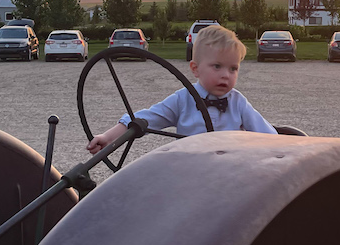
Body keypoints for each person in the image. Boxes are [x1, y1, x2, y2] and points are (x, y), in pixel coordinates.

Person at [86, 24, 277, 153]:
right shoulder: (182, 100)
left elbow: (268, 137)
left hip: (228, 174)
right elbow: (144, 119)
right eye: (217, 66)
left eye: (233, 68)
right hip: (187, 174)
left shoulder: (238, 102)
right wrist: (108, 137)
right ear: (195, 69)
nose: (226, 75)